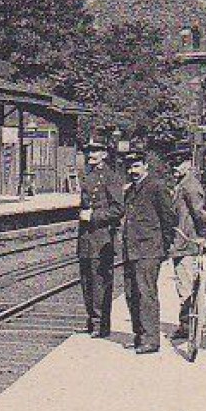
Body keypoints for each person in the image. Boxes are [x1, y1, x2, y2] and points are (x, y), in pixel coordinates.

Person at [119, 148, 176, 354]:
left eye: (136, 166)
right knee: (131, 293)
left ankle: (151, 340)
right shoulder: (131, 190)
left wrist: (164, 247)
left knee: (146, 294)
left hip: (149, 249)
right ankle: (139, 335)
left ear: (145, 166)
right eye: (129, 167)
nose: (132, 170)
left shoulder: (156, 187)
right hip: (131, 248)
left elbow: (169, 219)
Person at [166, 144, 206, 344]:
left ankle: (192, 325)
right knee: (185, 285)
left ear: (188, 163)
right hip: (182, 242)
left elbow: (200, 213)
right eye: (172, 164)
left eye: (178, 164)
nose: (174, 168)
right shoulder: (183, 184)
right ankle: (189, 323)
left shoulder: (190, 186)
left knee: (186, 287)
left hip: (188, 243)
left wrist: (203, 237)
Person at [77, 139, 125, 338]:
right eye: (89, 152)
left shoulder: (110, 177)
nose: (91, 155)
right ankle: (92, 320)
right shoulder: (88, 176)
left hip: (103, 239)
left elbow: (118, 209)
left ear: (105, 154)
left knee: (99, 282)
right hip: (87, 238)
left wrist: (94, 216)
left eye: (96, 151)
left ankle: (101, 324)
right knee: (87, 282)